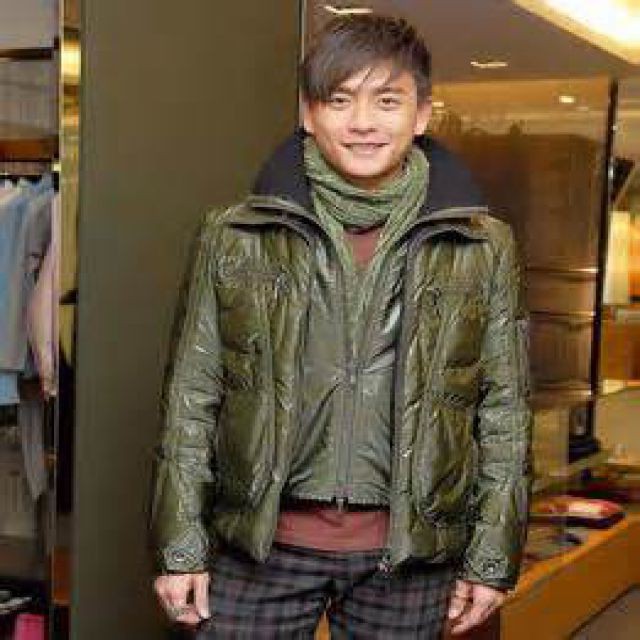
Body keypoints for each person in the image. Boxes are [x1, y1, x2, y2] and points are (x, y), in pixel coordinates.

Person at [149, 13, 532, 639]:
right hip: (260, 544)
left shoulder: (482, 245)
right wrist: (180, 547)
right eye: (340, 99)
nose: (363, 122)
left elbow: (504, 412)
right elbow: (192, 396)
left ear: (422, 114)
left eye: (387, 101)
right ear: (309, 113)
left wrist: (491, 558)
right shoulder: (234, 233)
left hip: (410, 553)